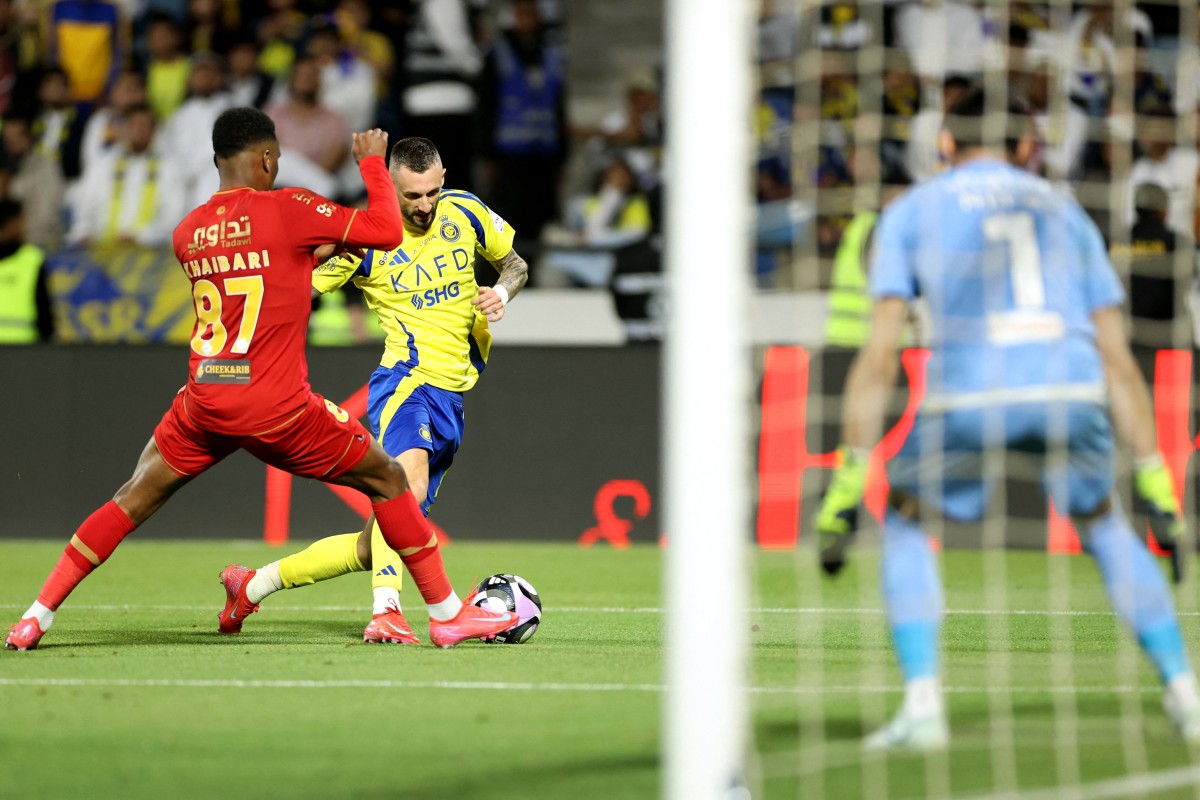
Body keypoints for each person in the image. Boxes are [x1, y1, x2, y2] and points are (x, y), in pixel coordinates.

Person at [5, 107, 518, 651]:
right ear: (268, 158)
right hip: (277, 407)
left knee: (129, 499)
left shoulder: (187, 233)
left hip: (206, 395)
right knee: (391, 482)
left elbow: (265, 269)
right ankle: (441, 615)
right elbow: (385, 231)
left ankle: (35, 617)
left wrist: (321, 252)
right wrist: (371, 164)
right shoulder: (290, 208)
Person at [814, 89, 1199, 750]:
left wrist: (846, 486)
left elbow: (879, 359)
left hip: (970, 391)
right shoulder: (1065, 210)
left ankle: (924, 706)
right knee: (1104, 523)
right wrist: (1158, 486)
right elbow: (1118, 360)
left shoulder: (911, 210)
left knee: (904, 517)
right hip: (1069, 385)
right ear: (1027, 147)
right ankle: (1186, 693)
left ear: (945, 144)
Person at [221, 135, 529, 645]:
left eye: (432, 192)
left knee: (374, 545)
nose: (425, 206)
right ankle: (387, 611)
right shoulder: (365, 239)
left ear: (443, 178)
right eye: (412, 196)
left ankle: (251, 585)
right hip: (406, 383)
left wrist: (500, 292)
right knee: (404, 491)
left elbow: (516, 265)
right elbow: (295, 284)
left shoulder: (467, 212)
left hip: (452, 395)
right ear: (391, 186)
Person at [0, 199, 53, 343]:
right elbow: (45, 314)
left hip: (25, 348)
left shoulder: (32, 260)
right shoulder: (33, 259)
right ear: (14, 223)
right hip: (25, 348)